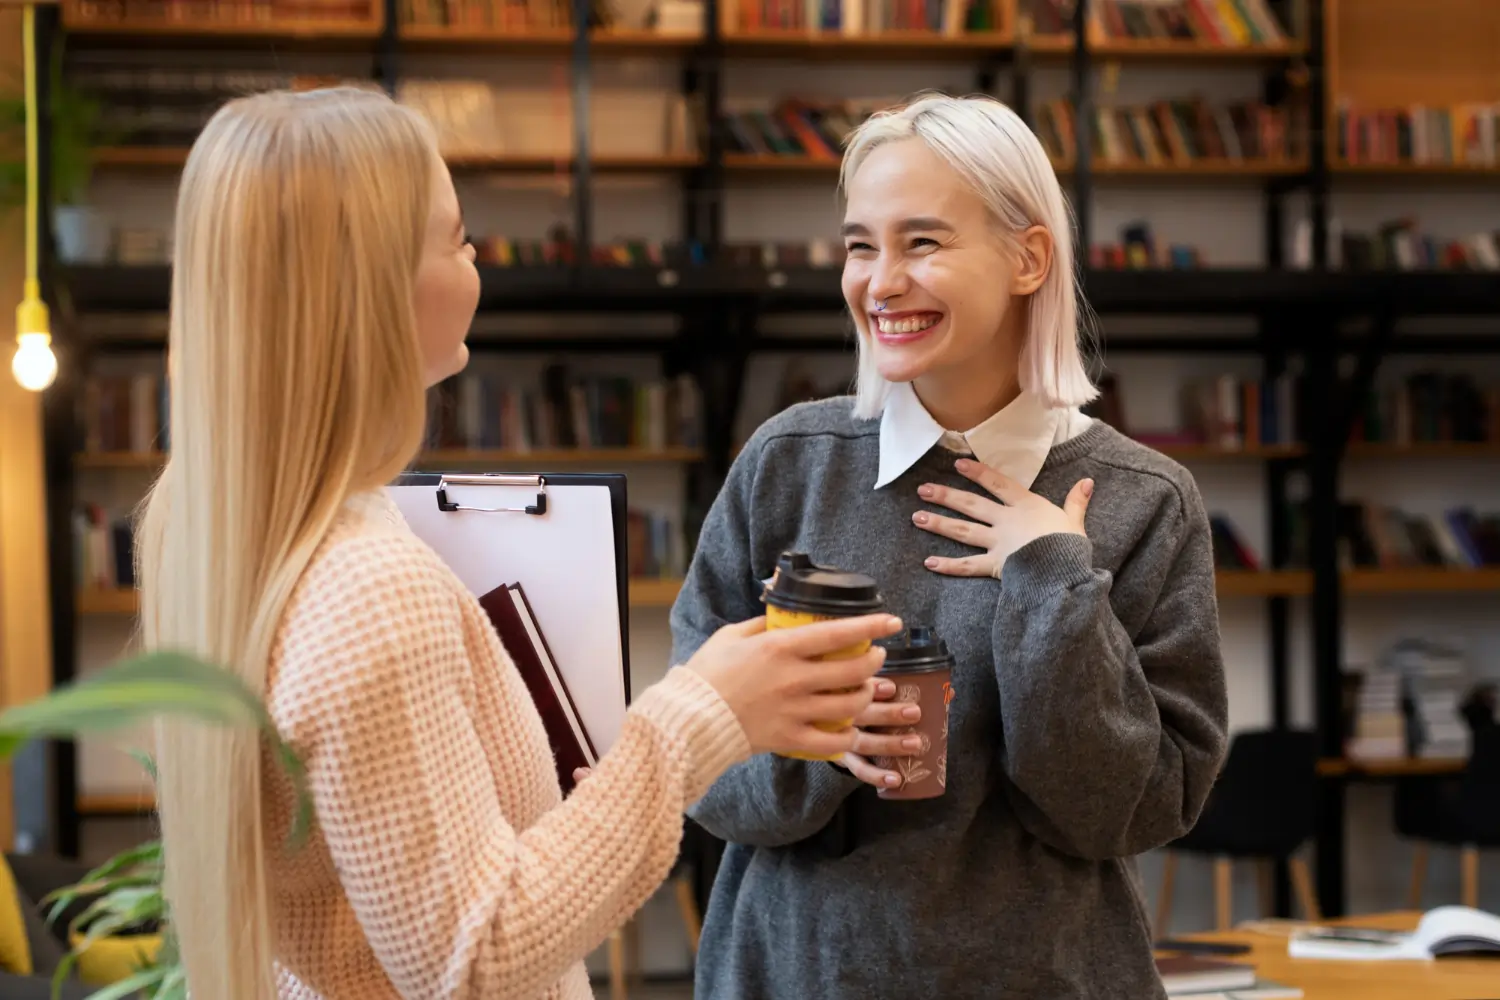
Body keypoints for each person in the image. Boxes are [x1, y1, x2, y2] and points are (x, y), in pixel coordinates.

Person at [134, 87, 904, 1000]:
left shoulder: (218, 524)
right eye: (457, 238)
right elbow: (474, 957)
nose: (476, 260)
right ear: (373, 291)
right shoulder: (366, 588)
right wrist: (702, 715)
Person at [670, 93, 1230, 999]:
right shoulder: (787, 464)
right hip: (793, 976)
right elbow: (693, 767)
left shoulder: (1145, 501)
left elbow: (1133, 811)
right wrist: (823, 739)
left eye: (922, 242)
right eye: (861, 246)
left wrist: (1054, 583)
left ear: (1028, 257)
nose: (880, 282)